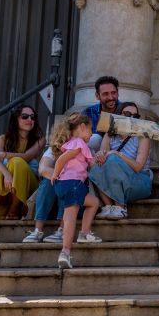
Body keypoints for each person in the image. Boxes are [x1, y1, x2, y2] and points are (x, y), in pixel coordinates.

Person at [0, 105, 45, 243]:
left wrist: (3, 154)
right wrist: (6, 174)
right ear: (16, 119)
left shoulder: (39, 140)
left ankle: (15, 208)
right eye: (25, 116)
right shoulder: (2, 139)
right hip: (8, 187)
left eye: (32, 117)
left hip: (30, 189)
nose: (29, 119)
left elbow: (26, 156)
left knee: (17, 162)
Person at [49, 113, 103, 269]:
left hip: (69, 185)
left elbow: (91, 163)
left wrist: (101, 156)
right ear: (82, 127)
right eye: (90, 129)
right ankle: (65, 252)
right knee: (70, 219)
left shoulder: (73, 143)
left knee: (93, 202)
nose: (92, 133)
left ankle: (85, 233)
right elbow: (61, 159)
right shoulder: (79, 143)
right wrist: (54, 174)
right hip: (72, 183)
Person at [88, 102, 153, 220]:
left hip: (140, 180)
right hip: (118, 179)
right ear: (118, 115)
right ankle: (108, 206)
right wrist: (99, 155)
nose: (131, 118)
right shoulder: (109, 135)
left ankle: (120, 207)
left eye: (135, 116)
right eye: (127, 114)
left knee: (112, 158)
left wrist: (117, 154)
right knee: (95, 163)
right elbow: (102, 158)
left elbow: (138, 167)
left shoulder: (143, 136)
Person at [82, 76, 121, 152]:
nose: (110, 97)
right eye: (105, 94)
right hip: (93, 154)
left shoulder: (127, 111)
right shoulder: (89, 112)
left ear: (118, 93)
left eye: (113, 93)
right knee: (95, 139)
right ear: (97, 96)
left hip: (119, 154)